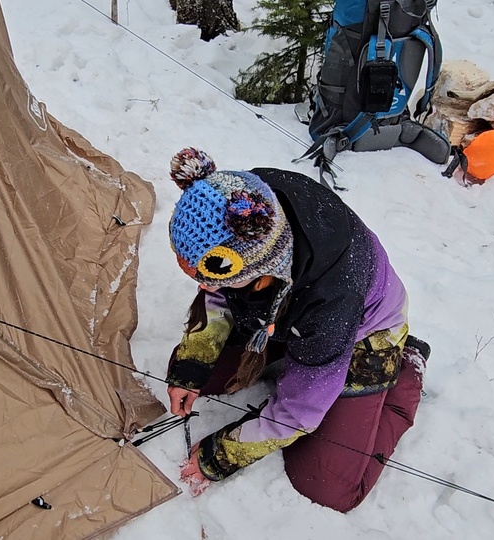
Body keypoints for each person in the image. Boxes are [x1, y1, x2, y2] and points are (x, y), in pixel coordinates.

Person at [164, 147, 430, 512]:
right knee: (200, 374)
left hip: (363, 332)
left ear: (256, 270)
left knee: (325, 484)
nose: (205, 286)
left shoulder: (331, 303)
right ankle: (281, 343)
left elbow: (299, 411)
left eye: (209, 277)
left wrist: (224, 454)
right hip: (283, 311)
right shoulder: (244, 203)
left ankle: (407, 366)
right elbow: (216, 292)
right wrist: (192, 364)